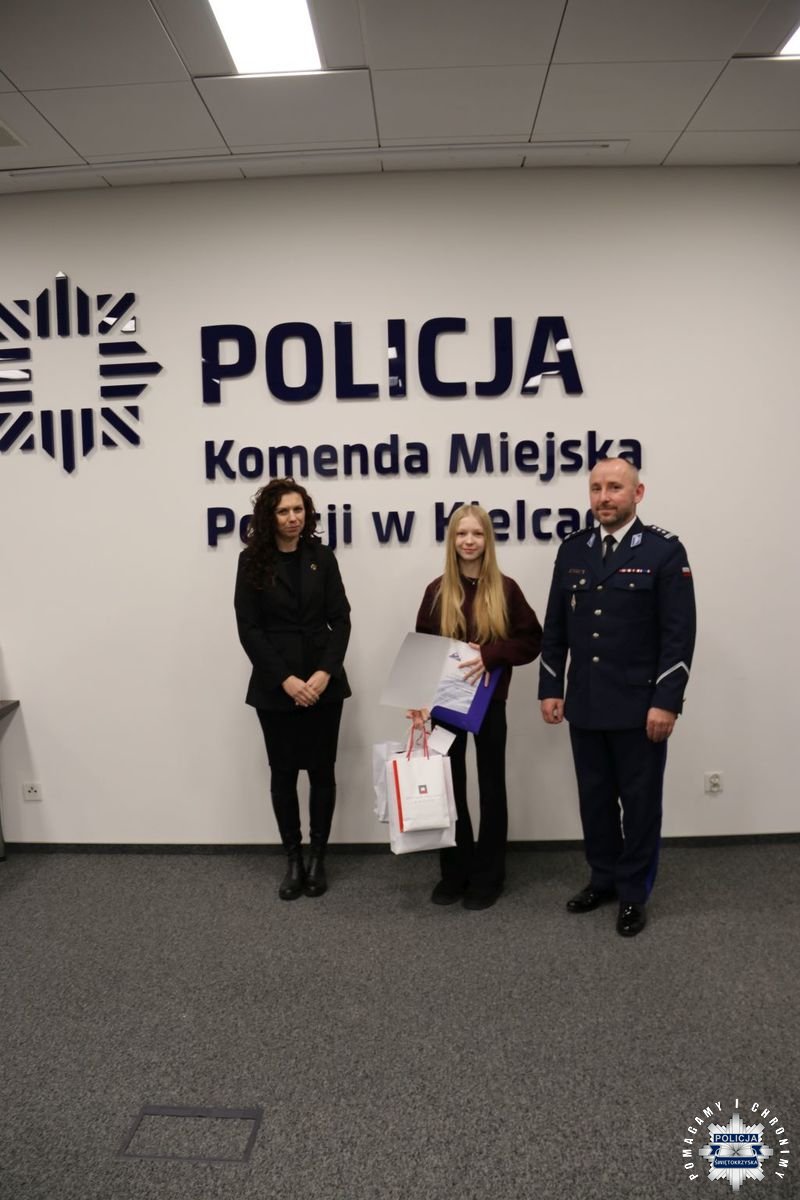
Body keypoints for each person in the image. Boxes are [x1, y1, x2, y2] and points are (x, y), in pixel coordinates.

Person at [538, 458, 696, 937]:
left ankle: (632, 893)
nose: (604, 497)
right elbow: (555, 627)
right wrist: (551, 687)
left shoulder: (664, 551)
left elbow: (679, 634)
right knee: (595, 800)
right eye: (596, 488)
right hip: (585, 703)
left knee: (640, 804)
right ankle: (603, 878)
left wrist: (666, 700)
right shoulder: (573, 550)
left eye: (614, 488)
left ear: (637, 493)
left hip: (639, 707)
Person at [410, 505, 542, 910]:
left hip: (489, 703)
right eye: (461, 534)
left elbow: (532, 641)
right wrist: (416, 701)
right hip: (445, 705)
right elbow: (422, 647)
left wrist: (491, 654)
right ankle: (454, 872)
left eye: (477, 534)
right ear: (452, 540)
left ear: (488, 539)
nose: (469, 541)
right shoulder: (437, 591)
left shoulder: (506, 589)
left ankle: (489, 875)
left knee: (491, 787)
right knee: (449, 788)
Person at [234, 478, 351, 901]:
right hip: (275, 685)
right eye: (283, 511)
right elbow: (248, 629)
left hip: (323, 683)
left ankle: (318, 858)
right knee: (283, 773)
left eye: (298, 510)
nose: (292, 518)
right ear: (270, 516)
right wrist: (285, 680)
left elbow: (341, 619)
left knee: (322, 771)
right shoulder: (252, 561)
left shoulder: (322, 557)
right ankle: (293, 859)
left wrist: (324, 673)